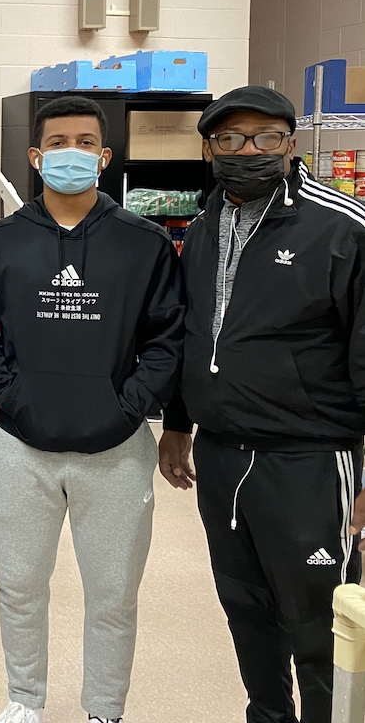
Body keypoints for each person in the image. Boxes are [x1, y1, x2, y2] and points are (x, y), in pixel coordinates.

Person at [0, 95, 185, 723]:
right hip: (20, 447)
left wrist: (130, 406)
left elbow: (168, 337)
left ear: (105, 157)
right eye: (58, 143)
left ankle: (103, 710)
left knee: (112, 595)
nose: (72, 154)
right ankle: (24, 700)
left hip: (115, 450)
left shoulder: (144, 244)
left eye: (86, 143)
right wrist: (8, 395)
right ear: (35, 157)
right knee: (20, 587)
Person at [159, 85, 365, 723]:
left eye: (266, 137)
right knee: (246, 606)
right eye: (231, 139)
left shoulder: (340, 227)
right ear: (209, 148)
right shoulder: (202, 226)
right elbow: (197, 333)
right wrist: (178, 424)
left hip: (307, 459)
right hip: (222, 460)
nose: (248, 150)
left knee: (317, 620)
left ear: (292, 143)